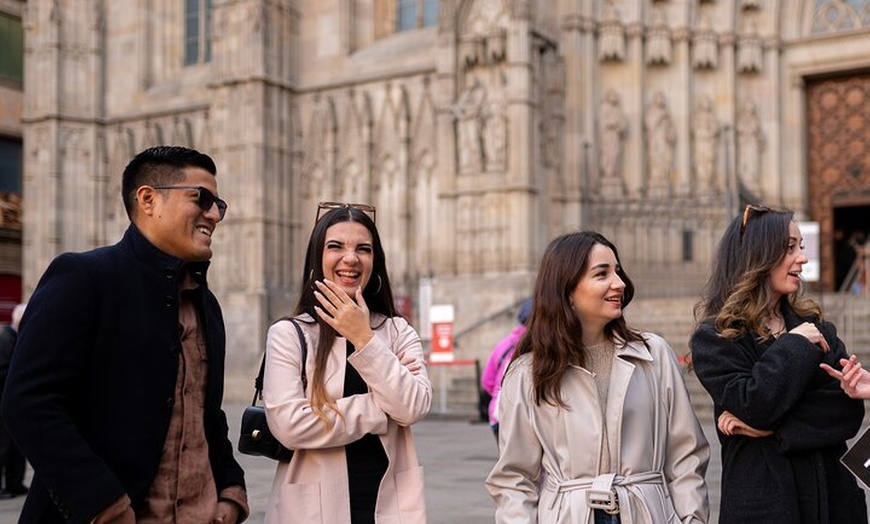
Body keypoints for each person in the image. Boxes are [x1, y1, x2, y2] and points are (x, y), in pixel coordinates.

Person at [1, 146, 248, 523]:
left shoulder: (205, 305)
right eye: (203, 199)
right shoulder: (84, 278)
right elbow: (28, 404)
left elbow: (206, 414)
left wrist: (230, 491)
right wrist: (103, 504)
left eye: (220, 205)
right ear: (148, 199)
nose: (214, 214)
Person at [486, 231, 709, 523]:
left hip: (645, 513)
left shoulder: (654, 355)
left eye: (618, 271)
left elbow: (686, 455)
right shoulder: (529, 373)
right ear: (567, 290)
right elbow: (514, 478)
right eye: (602, 274)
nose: (619, 283)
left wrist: (691, 519)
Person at [690, 204, 867, 524]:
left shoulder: (817, 326)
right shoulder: (716, 338)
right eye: (790, 248)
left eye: (801, 246)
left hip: (834, 503)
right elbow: (755, 403)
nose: (802, 258)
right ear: (757, 256)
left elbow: (846, 413)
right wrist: (794, 345)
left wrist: (766, 430)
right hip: (766, 507)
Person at [262, 202, 431, 523]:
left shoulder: (396, 331)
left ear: (374, 263)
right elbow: (290, 427)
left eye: (363, 249)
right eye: (335, 246)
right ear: (317, 258)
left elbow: (413, 407)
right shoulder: (289, 334)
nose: (351, 258)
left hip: (391, 505)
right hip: (313, 509)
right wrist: (381, 409)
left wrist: (364, 338)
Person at [480, 298, 531, 439]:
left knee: (507, 458)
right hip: (525, 418)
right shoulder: (539, 343)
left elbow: (487, 380)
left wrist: (499, 394)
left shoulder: (504, 344)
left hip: (498, 414)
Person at [0, 302, 27, 497]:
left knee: (16, 448)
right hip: (3, 401)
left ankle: (14, 484)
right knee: (3, 447)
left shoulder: (15, 337)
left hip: (15, 403)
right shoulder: (6, 339)